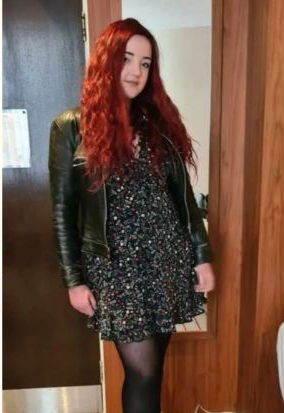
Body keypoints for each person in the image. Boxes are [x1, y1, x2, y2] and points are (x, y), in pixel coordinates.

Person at [48, 18, 215, 413]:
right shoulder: (71, 126)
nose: (136, 71)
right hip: (116, 269)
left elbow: (183, 199)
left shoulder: (157, 124)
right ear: (107, 61)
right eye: (127, 59)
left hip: (166, 260)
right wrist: (73, 280)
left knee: (153, 371)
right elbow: (61, 211)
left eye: (145, 63)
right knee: (141, 372)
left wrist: (202, 254)